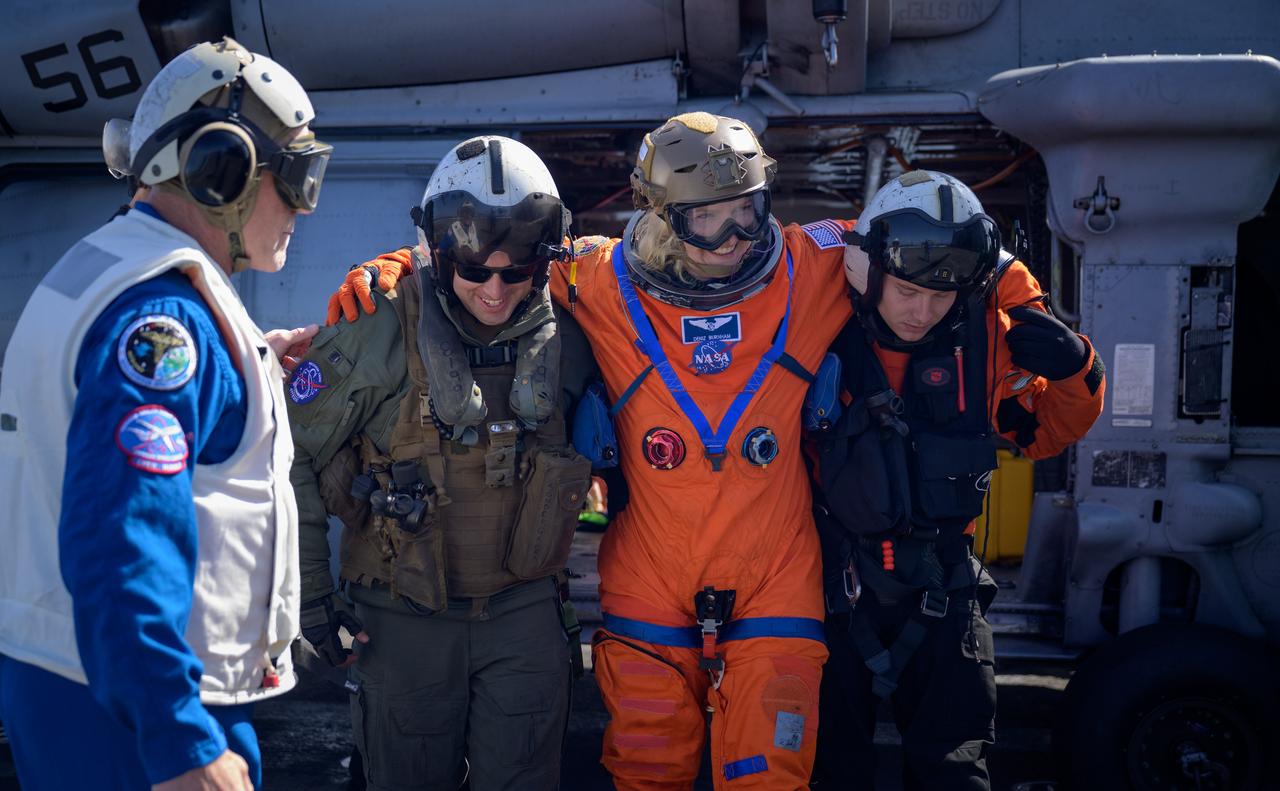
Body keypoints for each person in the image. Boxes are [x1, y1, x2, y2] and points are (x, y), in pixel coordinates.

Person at [331, 112, 864, 789]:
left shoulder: (810, 268)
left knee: (770, 774)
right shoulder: (601, 278)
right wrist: (401, 266)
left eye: (747, 212)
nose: (734, 239)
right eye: (706, 219)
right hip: (651, 577)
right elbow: (495, 253)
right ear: (663, 214)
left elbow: (930, 246)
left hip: (777, 575)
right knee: (647, 770)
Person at [0, 38, 330, 791]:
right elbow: (119, 537)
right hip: (136, 712)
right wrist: (180, 740)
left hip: (75, 681)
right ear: (223, 170)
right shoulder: (163, 325)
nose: (305, 207)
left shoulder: (108, 268)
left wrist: (238, 366)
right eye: (297, 177)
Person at [289, 136, 596, 791]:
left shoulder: (575, 324)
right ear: (440, 253)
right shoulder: (379, 324)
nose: (496, 290)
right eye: (475, 271)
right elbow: (292, 450)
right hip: (405, 618)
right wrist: (312, 598)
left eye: (517, 270)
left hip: (524, 616)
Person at [807, 170, 1106, 789]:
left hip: (941, 588)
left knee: (955, 771)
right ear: (867, 270)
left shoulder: (989, 335)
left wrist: (1080, 370)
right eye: (908, 291)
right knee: (825, 769)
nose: (922, 312)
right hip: (824, 588)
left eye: (941, 296)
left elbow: (1045, 432)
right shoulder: (814, 308)